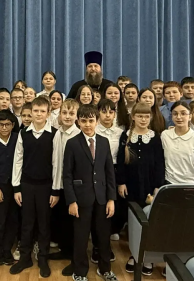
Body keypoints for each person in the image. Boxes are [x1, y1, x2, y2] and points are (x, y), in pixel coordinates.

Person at [63, 104, 118, 281]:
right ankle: (79, 272)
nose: (87, 124)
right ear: (78, 122)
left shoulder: (104, 142)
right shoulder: (72, 143)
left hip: (102, 198)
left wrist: (111, 199)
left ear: (97, 121)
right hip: (81, 199)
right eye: (84, 121)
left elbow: (109, 172)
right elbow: (67, 175)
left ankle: (105, 269)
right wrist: (71, 201)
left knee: (103, 236)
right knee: (80, 237)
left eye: (91, 121)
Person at [10, 97, 58, 277]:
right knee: (27, 223)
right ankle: (25, 257)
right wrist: (16, 187)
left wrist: (55, 190)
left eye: (42, 111)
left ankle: (43, 258)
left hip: (46, 186)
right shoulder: (23, 133)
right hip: (27, 185)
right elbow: (18, 160)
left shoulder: (54, 134)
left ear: (48, 113)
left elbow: (57, 163)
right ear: (30, 113)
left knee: (44, 224)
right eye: (35, 111)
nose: (38, 114)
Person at [115, 103, 164, 276]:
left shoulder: (155, 137)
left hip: (149, 185)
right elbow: (121, 162)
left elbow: (160, 163)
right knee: (133, 222)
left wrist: (157, 186)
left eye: (146, 116)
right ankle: (134, 255)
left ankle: (147, 257)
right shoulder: (126, 136)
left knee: (149, 221)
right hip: (131, 185)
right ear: (133, 117)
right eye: (140, 116)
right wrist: (121, 182)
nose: (143, 119)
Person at [48, 99, 82, 273]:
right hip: (59, 184)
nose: (67, 116)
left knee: (75, 224)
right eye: (64, 113)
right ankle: (65, 250)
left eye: (71, 113)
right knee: (62, 220)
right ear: (60, 115)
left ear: (77, 116)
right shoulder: (57, 134)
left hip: (74, 187)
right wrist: (55, 187)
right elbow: (55, 162)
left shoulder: (78, 135)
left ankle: (76, 257)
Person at [0, 110, 20, 266]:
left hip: (15, 186)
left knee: (12, 219)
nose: (4, 128)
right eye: (1, 124)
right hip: (0, 186)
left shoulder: (17, 139)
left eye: (7, 124)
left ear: (12, 125)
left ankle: (7, 249)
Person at [95, 99, 124, 243]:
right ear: (98, 113)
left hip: (114, 168)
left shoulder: (120, 132)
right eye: (104, 111)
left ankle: (113, 229)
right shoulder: (93, 130)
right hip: (97, 169)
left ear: (115, 114)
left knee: (114, 201)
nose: (107, 115)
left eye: (111, 112)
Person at [160, 101, 194, 185]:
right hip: (169, 183)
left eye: (183, 113)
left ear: (190, 116)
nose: (179, 117)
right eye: (175, 114)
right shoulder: (165, 135)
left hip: (191, 184)